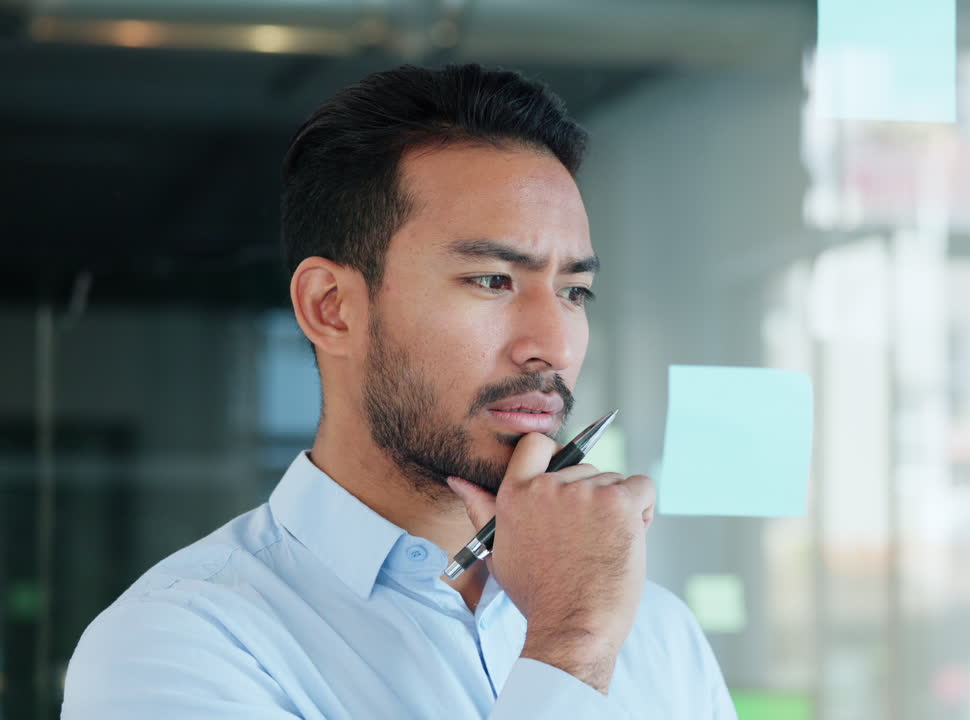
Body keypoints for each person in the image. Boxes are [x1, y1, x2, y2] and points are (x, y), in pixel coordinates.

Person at [62, 63, 736, 719]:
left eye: (574, 291)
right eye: (492, 280)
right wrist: (573, 644)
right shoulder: (177, 643)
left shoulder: (656, 632)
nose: (554, 347)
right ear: (331, 308)